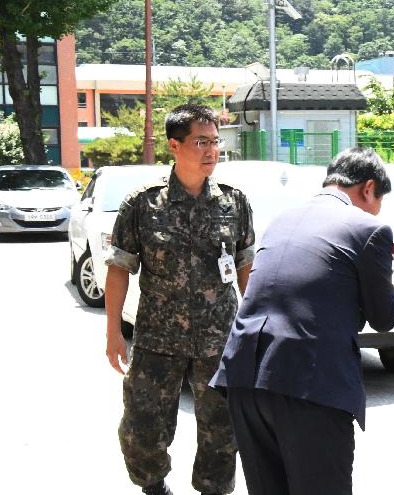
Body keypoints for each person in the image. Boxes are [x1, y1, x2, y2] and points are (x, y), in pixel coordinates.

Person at [210, 147, 394, 495]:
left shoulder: (283, 220)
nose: (376, 211)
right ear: (367, 188)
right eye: (377, 202)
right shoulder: (370, 228)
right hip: (308, 383)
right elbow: (384, 317)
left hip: (244, 379)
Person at [104, 104, 256, 495]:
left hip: (218, 341)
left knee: (223, 435)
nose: (211, 151)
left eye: (215, 142)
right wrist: (113, 334)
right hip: (157, 340)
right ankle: (154, 488)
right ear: (174, 145)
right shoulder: (142, 203)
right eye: (200, 142)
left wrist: (253, 329)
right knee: (141, 430)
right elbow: (120, 268)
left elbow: (245, 267)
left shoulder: (234, 202)